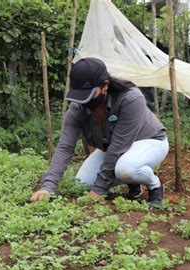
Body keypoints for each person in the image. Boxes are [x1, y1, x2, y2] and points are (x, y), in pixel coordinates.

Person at [31, 57, 168, 207]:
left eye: (88, 94)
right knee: (82, 184)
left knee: (126, 168)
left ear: (105, 86)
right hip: (116, 149)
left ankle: (154, 185)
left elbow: (118, 147)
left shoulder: (130, 99)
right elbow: (65, 147)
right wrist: (47, 186)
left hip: (150, 142)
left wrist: (99, 190)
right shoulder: (78, 108)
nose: (84, 101)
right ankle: (134, 185)